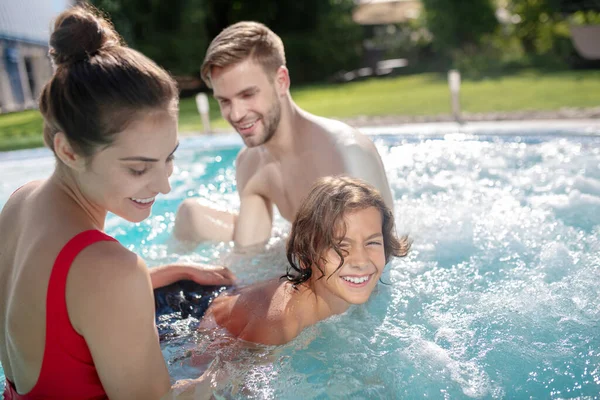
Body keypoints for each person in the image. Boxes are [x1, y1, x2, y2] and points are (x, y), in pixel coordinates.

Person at [0, 6, 233, 400]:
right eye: (139, 169)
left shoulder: (21, 202)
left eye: (169, 157)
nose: (164, 184)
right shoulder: (109, 271)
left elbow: (53, 309)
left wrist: (163, 272)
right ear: (69, 150)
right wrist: (228, 368)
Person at [173, 22, 394, 249]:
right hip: (310, 256)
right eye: (225, 101)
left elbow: (375, 259)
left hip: (353, 267)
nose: (236, 114)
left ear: (281, 81)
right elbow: (249, 256)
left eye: (248, 94)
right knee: (190, 214)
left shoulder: (346, 153)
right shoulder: (250, 164)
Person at [158, 176, 410, 346]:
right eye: (339, 247)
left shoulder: (366, 280)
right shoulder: (281, 322)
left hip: (236, 294)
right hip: (182, 313)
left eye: (372, 243)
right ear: (306, 255)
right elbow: (214, 379)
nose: (361, 261)